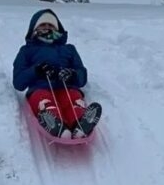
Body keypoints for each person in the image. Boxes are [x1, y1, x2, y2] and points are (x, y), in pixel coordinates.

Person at [12, 9, 102, 137]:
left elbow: (81, 74)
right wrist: (36, 71)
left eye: (51, 25)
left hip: (67, 86)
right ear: (34, 28)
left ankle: (80, 124)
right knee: (45, 102)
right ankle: (56, 125)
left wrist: (72, 74)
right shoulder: (27, 51)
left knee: (73, 100)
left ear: (57, 28)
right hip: (40, 88)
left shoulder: (69, 49)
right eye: (43, 25)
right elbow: (18, 82)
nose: (47, 28)